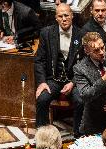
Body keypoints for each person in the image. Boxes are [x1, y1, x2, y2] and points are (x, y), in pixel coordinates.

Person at [34, 3, 83, 137]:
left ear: (72, 16)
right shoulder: (46, 33)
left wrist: (73, 82)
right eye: (60, 16)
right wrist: (42, 82)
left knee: (80, 100)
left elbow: (85, 63)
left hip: (74, 80)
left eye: (66, 15)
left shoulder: (81, 34)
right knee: (42, 99)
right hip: (53, 79)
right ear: (56, 18)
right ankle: (42, 136)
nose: (64, 19)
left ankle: (78, 134)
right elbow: (39, 60)